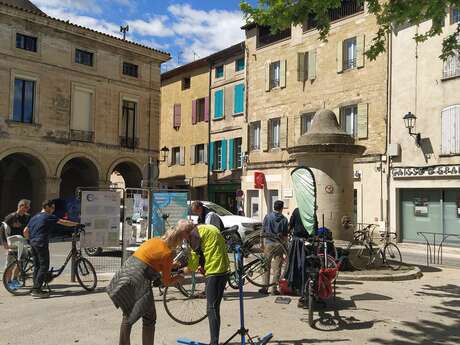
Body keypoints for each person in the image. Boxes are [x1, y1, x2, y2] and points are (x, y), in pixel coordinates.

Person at [107, 225, 190, 345]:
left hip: (127, 272)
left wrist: (171, 265)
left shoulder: (155, 240)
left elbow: (152, 259)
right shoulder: (168, 253)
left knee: (128, 313)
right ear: (177, 241)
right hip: (139, 279)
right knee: (149, 317)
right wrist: (178, 277)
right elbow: (166, 282)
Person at [177, 219, 229, 345]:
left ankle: (214, 342)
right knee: (214, 308)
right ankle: (214, 340)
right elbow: (209, 249)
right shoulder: (206, 228)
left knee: (212, 308)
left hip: (215, 271)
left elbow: (192, 266)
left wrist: (180, 271)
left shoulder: (194, 236)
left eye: (182, 234)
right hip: (223, 268)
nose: (182, 237)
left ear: (186, 232)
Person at [23, 199, 79, 298]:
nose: (53, 209)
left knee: (37, 266)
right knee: (44, 266)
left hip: (33, 243)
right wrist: (76, 224)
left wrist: (29, 240)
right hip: (41, 243)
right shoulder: (48, 216)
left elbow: (25, 230)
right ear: (47, 207)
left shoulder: (34, 217)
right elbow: (63, 222)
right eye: (52, 207)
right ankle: (37, 290)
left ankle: (35, 287)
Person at [259, 200, 288, 295]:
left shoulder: (268, 217)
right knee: (277, 268)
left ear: (274, 207)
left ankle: (264, 287)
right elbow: (285, 236)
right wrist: (286, 248)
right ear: (281, 208)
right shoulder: (284, 219)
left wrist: (261, 243)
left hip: (268, 243)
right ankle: (273, 289)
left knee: (266, 265)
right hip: (279, 245)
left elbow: (262, 230)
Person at [285, 207, 312, 307]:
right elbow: (315, 228)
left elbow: (290, 225)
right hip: (308, 243)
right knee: (307, 268)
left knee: (296, 267)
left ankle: (301, 291)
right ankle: (305, 292)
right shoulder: (311, 211)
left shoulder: (297, 210)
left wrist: (287, 232)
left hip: (297, 243)